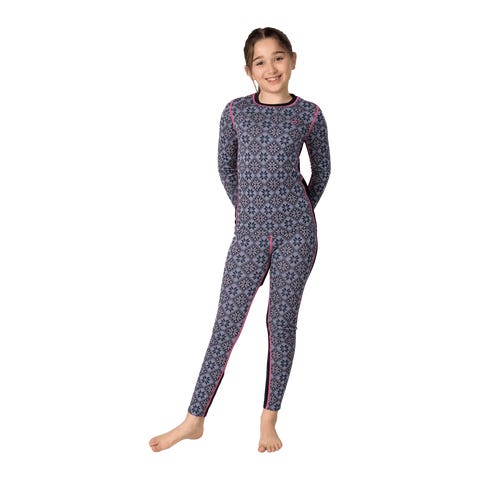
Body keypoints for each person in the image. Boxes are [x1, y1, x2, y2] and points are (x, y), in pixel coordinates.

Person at [149, 26, 331, 454]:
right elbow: (225, 167)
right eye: (260, 62)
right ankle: (194, 419)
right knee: (226, 322)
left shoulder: (309, 113)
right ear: (249, 70)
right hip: (248, 233)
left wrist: (297, 212)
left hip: (297, 234)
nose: (271, 68)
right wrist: (249, 210)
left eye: (278, 57)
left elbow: (321, 171)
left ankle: (269, 420)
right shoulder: (235, 112)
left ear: (293, 60)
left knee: (280, 323)